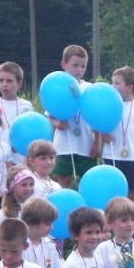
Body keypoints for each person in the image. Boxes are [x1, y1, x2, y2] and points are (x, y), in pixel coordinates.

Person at [101, 66, 134, 203]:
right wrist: (102, 136)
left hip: (133, 158)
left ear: (129, 88)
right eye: (112, 82)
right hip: (111, 155)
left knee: (131, 193)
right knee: (112, 194)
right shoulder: (107, 105)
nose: (112, 86)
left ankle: (132, 222)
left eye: (117, 83)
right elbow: (99, 125)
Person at [50, 45, 99, 188]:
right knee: (63, 179)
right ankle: (63, 209)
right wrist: (56, 124)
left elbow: (96, 117)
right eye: (75, 65)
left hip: (86, 143)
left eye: (83, 66)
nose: (79, 69)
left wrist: (97, 142)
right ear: (63, 64)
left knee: (87, 181)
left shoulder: (89, 88)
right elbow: (50, 116)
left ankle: (86, 209)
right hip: (64, 145)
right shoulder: (57, 86)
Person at [0, 61, 34, 164]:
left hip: (20, 157)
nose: (4, 84)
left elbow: (30, 131)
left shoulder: (26, 106)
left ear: (19, 84)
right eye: (1, 80)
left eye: (9, 81)